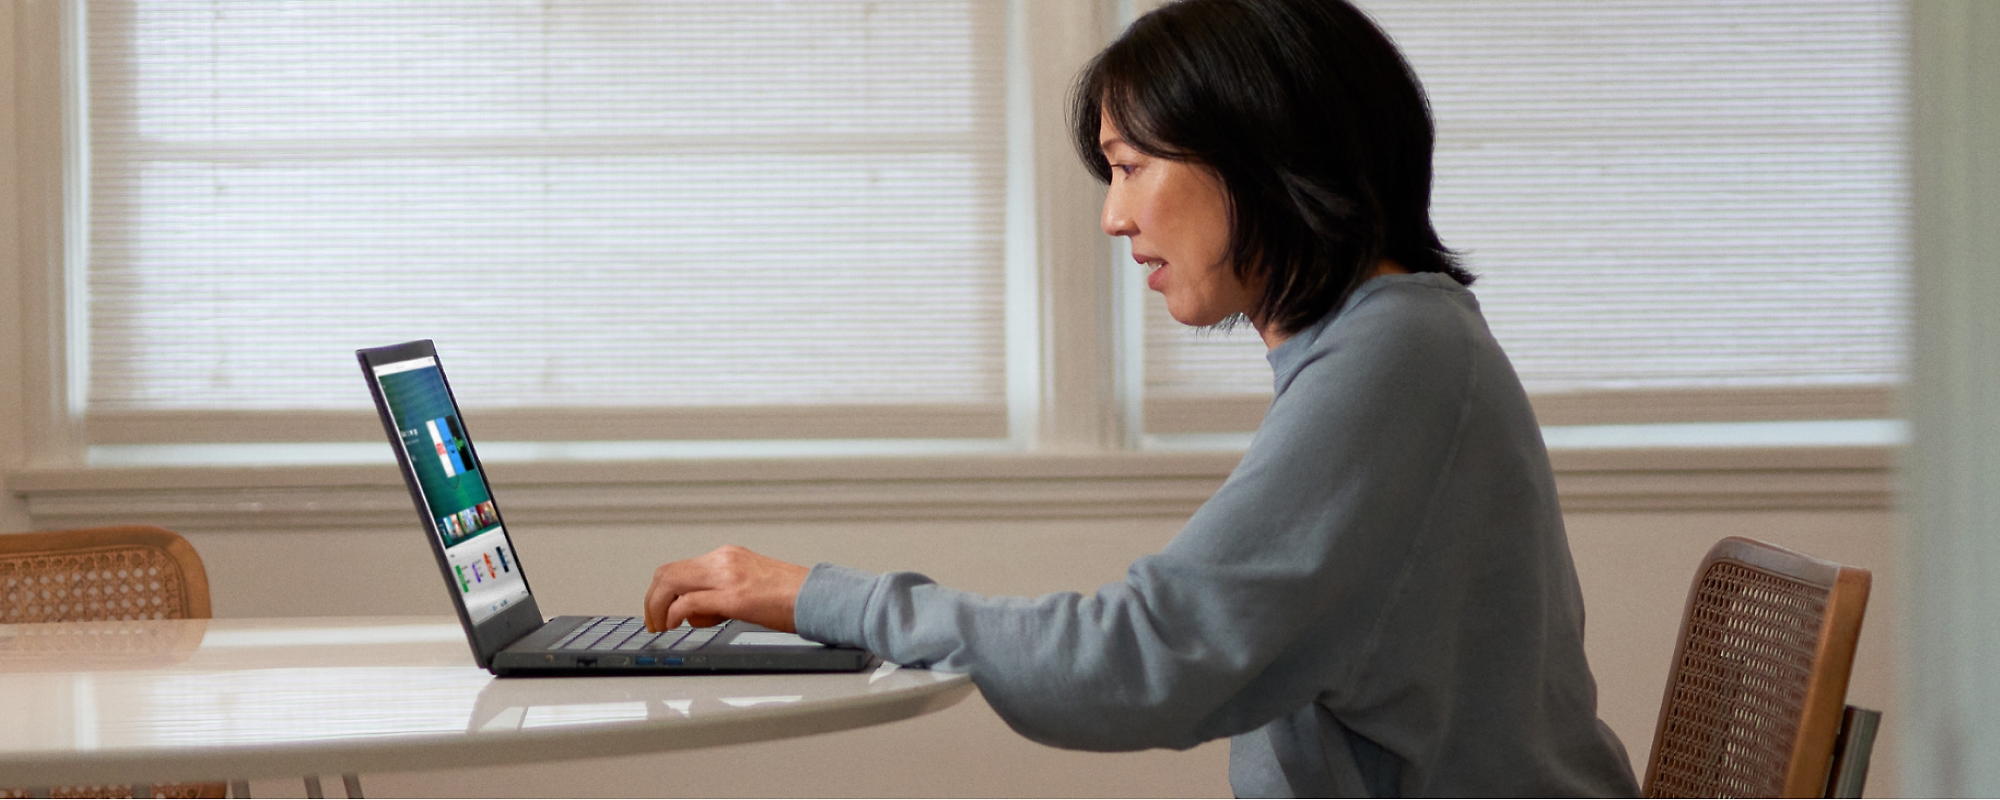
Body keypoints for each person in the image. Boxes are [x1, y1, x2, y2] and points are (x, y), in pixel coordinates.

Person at [643, 0, 1640, 795]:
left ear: (1262, 149)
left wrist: (819, 595)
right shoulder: (1400, 340)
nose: (1115, 217)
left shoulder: (1395, 355)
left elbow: (1131, 663)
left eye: (1130, 167)